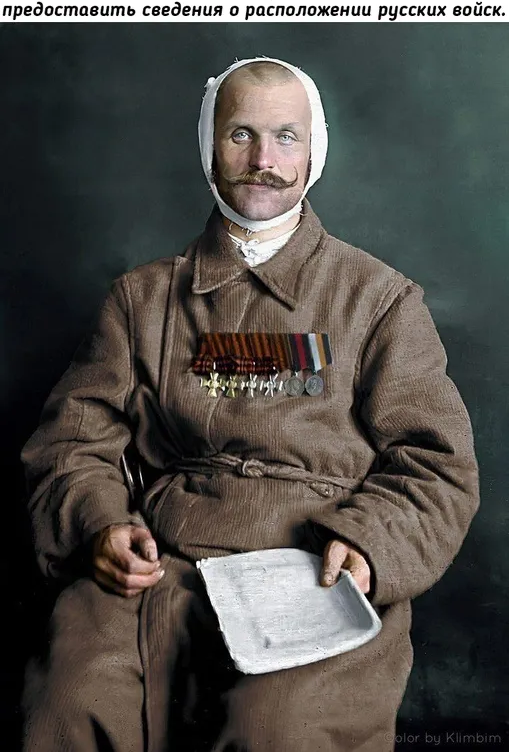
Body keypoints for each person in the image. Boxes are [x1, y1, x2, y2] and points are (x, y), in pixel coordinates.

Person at [21, 57, 479, 752]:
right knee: (73, 701)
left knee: (275, 729)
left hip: (313, 564)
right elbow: (71, 444)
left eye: (285, 136)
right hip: (161, 563)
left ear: (314, 150)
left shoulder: (381, 301)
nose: (263, 160)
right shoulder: (139, 300)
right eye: (241, 134)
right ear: (209, 144)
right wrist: (99, 525)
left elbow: (436, 464)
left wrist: (367, 544)